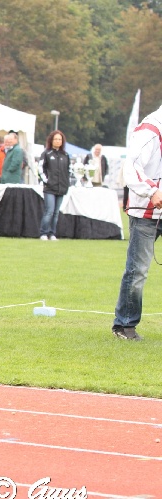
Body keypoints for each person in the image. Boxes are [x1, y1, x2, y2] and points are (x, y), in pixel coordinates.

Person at [113, 104, 162, 341]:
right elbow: (131, 167)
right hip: (145, 210)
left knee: (138, 270)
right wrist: (151, 190)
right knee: (138, 270)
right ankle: (125, 324)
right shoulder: (149, 130)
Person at [37, 130, 71, 241]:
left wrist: (66, 183)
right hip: (49, 188)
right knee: (49, 211)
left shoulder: (65, 155)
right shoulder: (46, 153)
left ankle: (52, 233)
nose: (57, 141)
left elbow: (68, 170)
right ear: (51, 140)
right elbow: (40, 169)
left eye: (59, 139)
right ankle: (43, 233)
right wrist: (47, 181)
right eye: (55, 139)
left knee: (56, 213)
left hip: (61, 188)